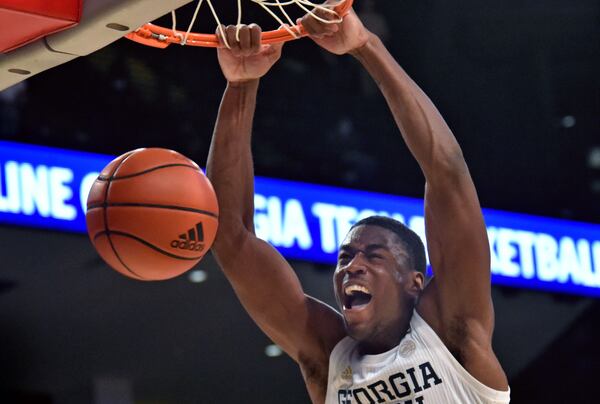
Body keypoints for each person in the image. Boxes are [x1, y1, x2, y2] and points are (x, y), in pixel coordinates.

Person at [206, 6, 510, 404]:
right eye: (346, 256)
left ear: (414, 282)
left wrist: (367, 46)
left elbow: (447, 172)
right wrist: (241, 86)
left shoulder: (452, 331)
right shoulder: (329, 358)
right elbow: (229, 234)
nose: (352, 265)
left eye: (374, 255)